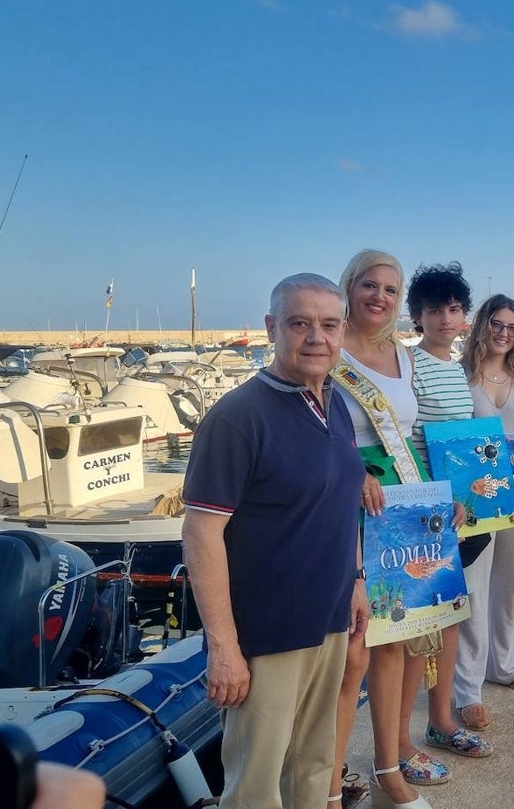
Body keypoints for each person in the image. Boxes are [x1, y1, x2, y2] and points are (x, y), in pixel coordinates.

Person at [182, 273, 367, 809]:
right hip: (266, 637)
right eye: (299, 323)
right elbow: (201, 531)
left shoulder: (335, 403)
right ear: (271, 328)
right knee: (256, 786)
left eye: (329, 325)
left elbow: (341, 501)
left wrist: (355, 580)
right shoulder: (238, 418)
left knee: (314, 768)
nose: (316, 337)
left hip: (329, 621)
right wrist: (223, 648)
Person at [328, 250, 435, 809]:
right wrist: (353, 470)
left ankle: (387, 769)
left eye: (391, 290)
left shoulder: (404, 356)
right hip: (348, 503)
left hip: (402, 504)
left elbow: (413, 435)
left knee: (394, 641)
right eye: (369, 285)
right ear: (349, 288)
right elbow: (312, 426)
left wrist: (439, 500)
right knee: (352, 651)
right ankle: (326, 782)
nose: (379, 296)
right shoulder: (328, 347)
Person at [400, 262, 493, 767]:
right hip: (424, 514)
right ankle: (402, 740)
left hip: (465, 514)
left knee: (451, 616)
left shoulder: (458, 370)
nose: (445, 317)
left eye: (454, 309)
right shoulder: (410, 366)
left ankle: (442, 720)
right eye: (435, 309)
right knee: (419, 627)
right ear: (418, 315)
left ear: (463, 317)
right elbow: (405, 442)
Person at [453, 294, 514, 730]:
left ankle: (504, 663)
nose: (505, 333)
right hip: (478, 491)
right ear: (483, 325)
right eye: (497, 324)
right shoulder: (461, 375)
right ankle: (467, 687)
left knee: (511, 578)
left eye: (512, 326)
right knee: (475, 585)